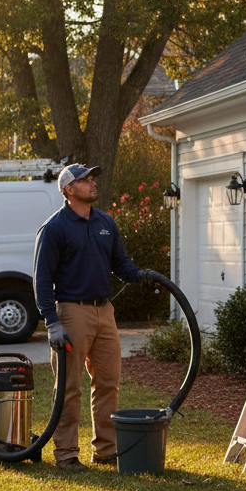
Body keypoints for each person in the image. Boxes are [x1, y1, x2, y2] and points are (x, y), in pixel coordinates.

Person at [33, 162, 155, 470]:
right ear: (68, 190)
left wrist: (142, 275)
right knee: (69, 386)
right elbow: (42, 280)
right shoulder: (54, 228)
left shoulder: (105, 222)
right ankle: (66, 455)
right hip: (72, 313)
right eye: (85, 180)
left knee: (108, 383)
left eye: (92, 179)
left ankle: (105, 451)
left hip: (105, 311)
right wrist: (53, 322)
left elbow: (121, 265)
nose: (92, 183)